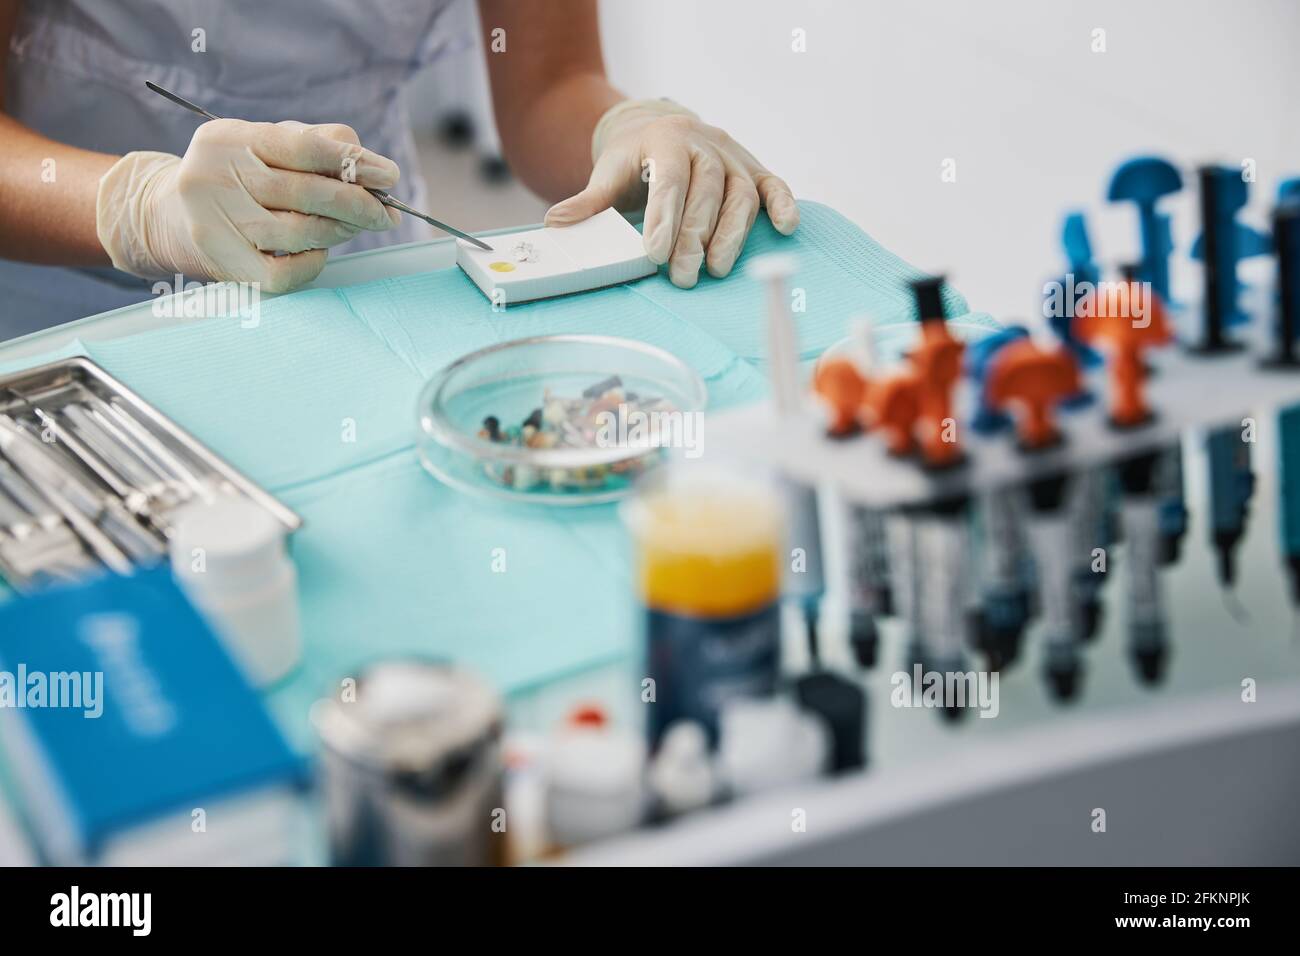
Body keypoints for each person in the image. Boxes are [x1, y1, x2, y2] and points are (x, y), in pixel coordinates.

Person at [0, 0, 798, 339]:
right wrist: (138, 209)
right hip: (64, 293)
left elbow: (548, 87)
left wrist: (630, 128)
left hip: (352, 273)